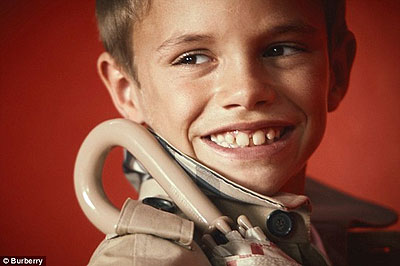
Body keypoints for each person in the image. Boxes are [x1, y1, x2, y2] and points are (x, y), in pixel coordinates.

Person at [87, 0, 398, 265]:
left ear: (337, 72)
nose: (247, 91)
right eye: (192, 58)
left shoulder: (342, 241)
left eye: (280, 49)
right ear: (128, 91)